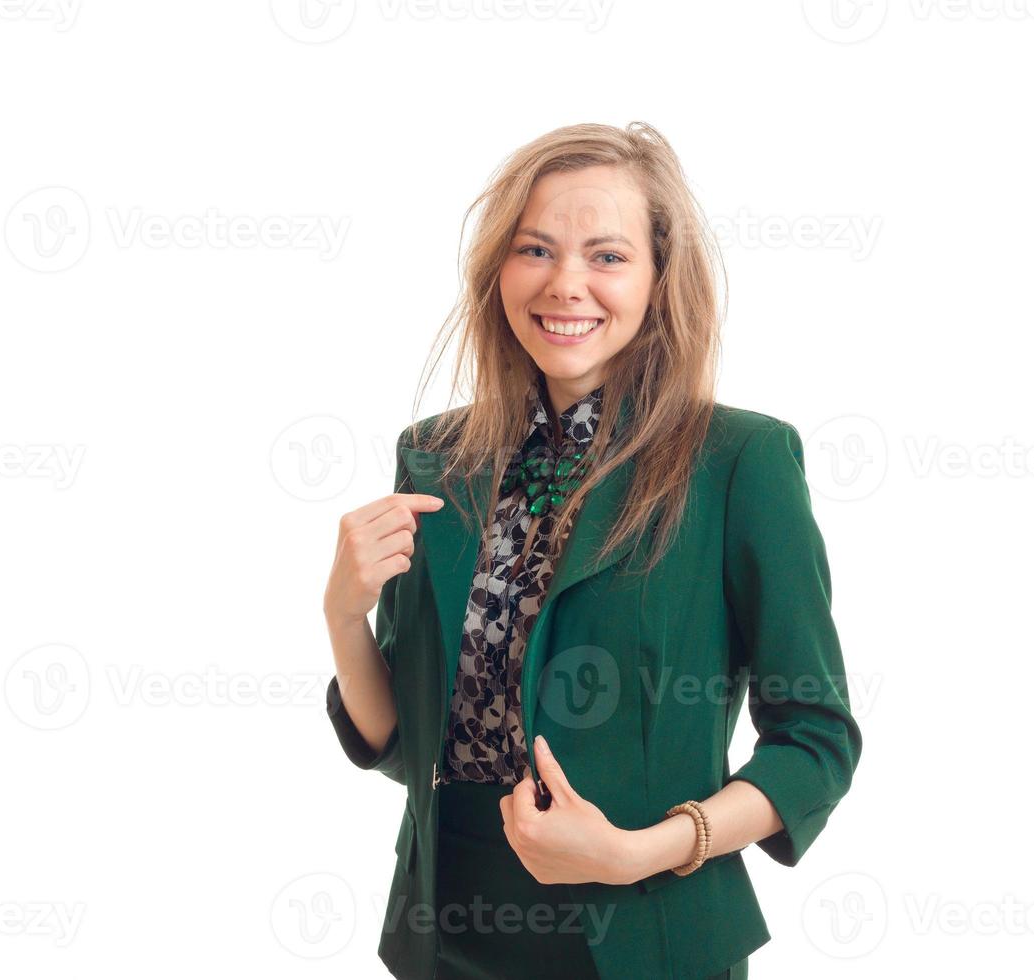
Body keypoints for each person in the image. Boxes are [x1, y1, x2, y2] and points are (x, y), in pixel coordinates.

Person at [323, 121, 861, 980]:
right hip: (446, 935)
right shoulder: (435, 456)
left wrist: (643, 851)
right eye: (536, 248)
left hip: (646, 938)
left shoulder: (738, 463)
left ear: (658, 278)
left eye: (606, 256)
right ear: (499, 268)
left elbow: (816, 741)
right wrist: (343, 616)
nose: (566, 283)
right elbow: (405, 744)